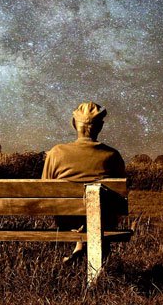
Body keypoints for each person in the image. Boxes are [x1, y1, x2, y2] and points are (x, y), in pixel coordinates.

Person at [42, 101, 126, 263]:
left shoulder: (56, 152)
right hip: (103, 219)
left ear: (74, 124)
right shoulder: (112, 155)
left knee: (80, 211)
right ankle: (97, 263)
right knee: (103, 209)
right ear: (100, 127)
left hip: (66, 220)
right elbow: (120, 197)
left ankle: (79, 248)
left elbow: (45, 189)